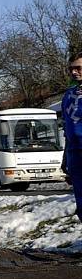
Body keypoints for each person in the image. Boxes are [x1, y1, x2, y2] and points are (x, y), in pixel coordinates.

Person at [62, 53, 82, 221]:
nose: (74, 72)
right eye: (72, 69)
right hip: (74, 154)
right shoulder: (68, 95)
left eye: (78, 68)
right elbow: (67, 129)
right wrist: (65, 160)